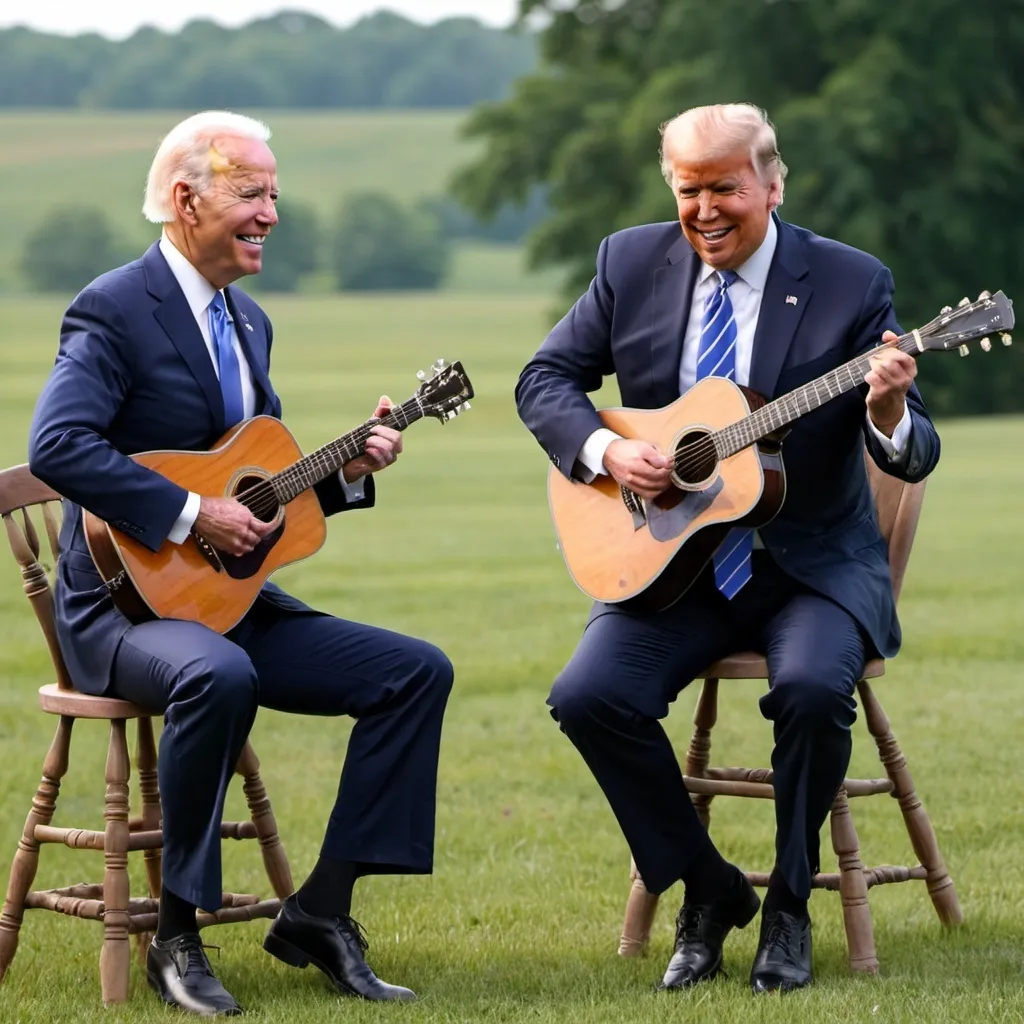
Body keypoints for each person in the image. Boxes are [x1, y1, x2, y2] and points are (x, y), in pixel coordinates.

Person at [28, 110, 454, 1016]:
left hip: (220, 603)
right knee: (218, 678)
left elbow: (260, 489)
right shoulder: (113, 307)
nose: (269, 213)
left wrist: (345, 473)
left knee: (415, 672)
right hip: (119, 616)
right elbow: (59, 445)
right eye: (251, 193)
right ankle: (175, 936)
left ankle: (322, 911)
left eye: (274, 195)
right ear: (186, 200)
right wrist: (191, 511)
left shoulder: (248, 322)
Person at [516, 103, 939, 994]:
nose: (705, 209)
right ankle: (709, 893)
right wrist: (607, 451)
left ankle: (788, 905)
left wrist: (888, 410)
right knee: (587, 697)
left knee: (814, 692)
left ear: (773, 184)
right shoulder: (629, 262)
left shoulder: (849, 281)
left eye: (725, 189)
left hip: (810, 566)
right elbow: (545, 379)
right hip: (674, 564)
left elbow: (915, 446)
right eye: (688, 189)